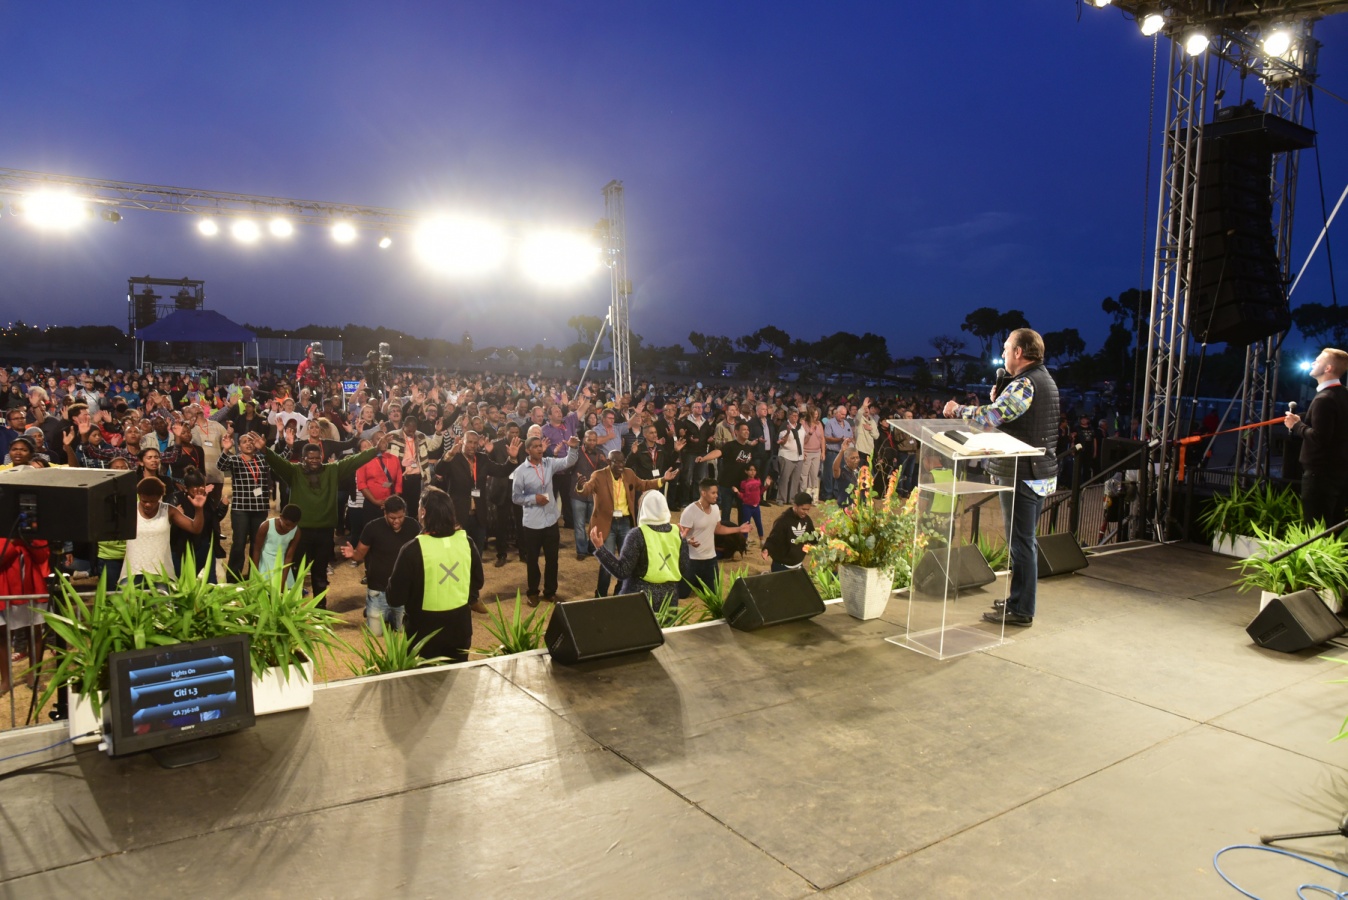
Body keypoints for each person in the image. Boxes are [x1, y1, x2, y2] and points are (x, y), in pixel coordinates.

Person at [943, 327, 1059, 628]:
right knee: (1023, 542)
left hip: (1023, 473)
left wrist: (957, 409)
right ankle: (1017, 599)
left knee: (1021, 543)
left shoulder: (1026, 383)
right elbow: (1011, 416)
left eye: (1007, 348)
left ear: (1019, 352)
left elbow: (991, 418)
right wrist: (1000, 399)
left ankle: (1022, 609)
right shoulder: (1043, 379)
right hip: (1036, 472)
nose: (1004, 353)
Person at [264, 435, 387, 607]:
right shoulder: (294, 472)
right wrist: (264, 449)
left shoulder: (332, 470)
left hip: (325, 532)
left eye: (317, 458)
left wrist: (375, 450)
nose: (314, 461)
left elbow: (354, 461)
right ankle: (293, 607)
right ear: (303, 458)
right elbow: (277, 462)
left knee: (320, 573)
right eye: (310, 458)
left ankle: (320, 608)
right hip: (300, 532)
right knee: (296, 570)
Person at [386, 487, 484, 663]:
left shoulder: (411, 550)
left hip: (423, 634)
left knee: (424, 677)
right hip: (459, 629)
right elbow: (478, 581)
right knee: (457, 675)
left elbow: (395, 598)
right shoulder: (467, 542)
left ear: (423, 512)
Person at [580, 448, 678, 597]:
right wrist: (581, 486)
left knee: (626, 561)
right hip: (607, 523)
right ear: (608, 462)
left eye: (623, 461)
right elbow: (587, 489)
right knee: (606, 560)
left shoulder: (629, 474)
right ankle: (600, 596)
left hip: (626, 522)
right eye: (617, 462)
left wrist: (663, 480)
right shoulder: (598, 475)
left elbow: (644, 484)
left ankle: (620, 593)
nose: (621, 465)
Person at [341, 495, 440, 633]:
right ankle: (372, 608)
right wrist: (353, 554)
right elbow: (359, 555)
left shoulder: (413, 526)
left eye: (400, 517)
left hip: (403, 591)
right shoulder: (372, 527)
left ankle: (384, 614)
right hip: (378, 590)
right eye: (392, 518)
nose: (397, 521)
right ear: (385, 513)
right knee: (375, 633)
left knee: (403, 632)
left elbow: (423, 551)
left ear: (404, 512)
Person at [430, 430, 521, 565]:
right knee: (458, 555)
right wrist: (449, 454)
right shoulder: (454, 458)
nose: (472, 446)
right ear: (462, 442)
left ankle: (475, 577)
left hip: (479, 516)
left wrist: (512, 459)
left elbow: (501, 471)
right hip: (458, 515)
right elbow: (439, 470)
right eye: (469, 442)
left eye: (475, 443)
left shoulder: (482, 459)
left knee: (477, 554)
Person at [592, 491, 690, 610]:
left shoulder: (637, 535)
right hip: (669, 598)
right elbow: (683, 568)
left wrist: (601, 549)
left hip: (641, 597)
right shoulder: (677, 533)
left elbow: (622, 571)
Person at [511, 434, 580, 604]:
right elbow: (516, 497)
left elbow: (568, 461)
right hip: (532, 524)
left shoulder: (549, 463)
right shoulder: (520, 471)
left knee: (552, 559)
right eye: (535, 446)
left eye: (540, 446)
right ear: (528, 450)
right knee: (532, 560)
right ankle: (533, 592)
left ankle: (550, 592)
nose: (539, 449)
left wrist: (573, 448)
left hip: (550, 521)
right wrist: (534, 499)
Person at [1284, 347, 1348, 527]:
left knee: (1316, 529)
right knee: (1334, 527)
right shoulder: (1343, 394)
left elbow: (1320, 438)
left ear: (1328, 368)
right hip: (1339, 473)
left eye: (1318, 360)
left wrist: (1296, 425)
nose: (1313, 363)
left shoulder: (1323, 399)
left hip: (1319, 476)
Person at [123, 476, 209, 584]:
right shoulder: (129, 510)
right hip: (132, 572)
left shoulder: (168, 510)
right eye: (144, 501)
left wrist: (198, 509)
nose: (148, 505)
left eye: (152, 501)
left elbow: (195, 528)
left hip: (162, 573)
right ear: (139, 495)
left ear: (160, 497)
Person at [677, 478, 754, 599]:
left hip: (710, 561)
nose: (716, 496)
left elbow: (718, 528)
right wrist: (688, 541)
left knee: (714, 594)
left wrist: (739, 529)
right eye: (713, 493)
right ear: (703, 493)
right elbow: (680, 535)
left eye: (717, 492)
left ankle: (698, 582)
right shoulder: (690, 511)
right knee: (682, 595)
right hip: (691, 561)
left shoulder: (715, 509)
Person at [216, 431, 274, 581]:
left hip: (260, 508)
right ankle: (233, 578)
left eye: (251, 441)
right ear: (239, 446)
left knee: (257, 543)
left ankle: (255, 575)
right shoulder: (235, 460)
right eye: (244, 442)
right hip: (241, 508)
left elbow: (279, 460)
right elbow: (221, 466)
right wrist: (225, 449)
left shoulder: (262, 459)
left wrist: (287, 444)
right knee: (239, 543)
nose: (248, 444)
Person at [250, 504, 302, 587]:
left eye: (293, 526)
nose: (289, 528)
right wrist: (255, 573)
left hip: (282, 565)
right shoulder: (266, 526)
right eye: (287, 525)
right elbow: (257, 550)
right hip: (265, 564)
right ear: (281, 517)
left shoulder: (296, 532)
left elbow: (289, 557)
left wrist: (283, 580)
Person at [762, 492, 816, 572]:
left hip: (798, 565)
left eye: (808, 509)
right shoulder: (783, 521)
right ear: (795, 506)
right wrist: (767, 549)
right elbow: (774, 538)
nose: (806, 512)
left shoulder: (807, 520)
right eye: (803, 509)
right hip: (781, 567)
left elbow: (813, 536)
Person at [738, 463, 765, 541]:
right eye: (750, 470)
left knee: (759, 523)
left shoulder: (758, 480)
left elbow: (760, 492)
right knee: (746, 524)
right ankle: (745, 541)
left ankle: (761, 540)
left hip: (756, 506)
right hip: (747, 506)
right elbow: (742, 495)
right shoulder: (743, 483)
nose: (753, 472)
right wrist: (738, 493)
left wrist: (766, 486)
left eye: (754, 470)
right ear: (746, 471)